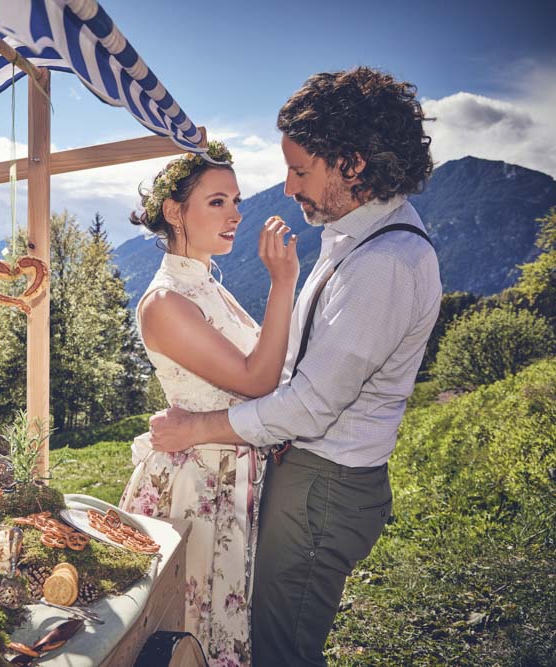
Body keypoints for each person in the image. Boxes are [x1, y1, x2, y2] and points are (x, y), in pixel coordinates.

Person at [149, 67, 441, 666]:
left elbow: (308, 404)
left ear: (352, 165)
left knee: (281, 651)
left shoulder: (383, 263)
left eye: (301, 171)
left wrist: (197, 427)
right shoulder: (353, 239)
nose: (287, 187)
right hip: (299, 479)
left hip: (322, 488)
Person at [118, 139, 299, 666]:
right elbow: (258, 379)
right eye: (217, 201)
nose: (235, 214)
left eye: (235, 201)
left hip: (231, 476)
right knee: (191, 630)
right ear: (175, 212)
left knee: (222, 626)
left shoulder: (208, 287)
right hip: (196, 487)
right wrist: (283, 282)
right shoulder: (165, 302)